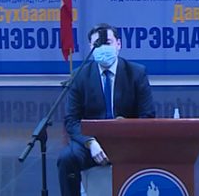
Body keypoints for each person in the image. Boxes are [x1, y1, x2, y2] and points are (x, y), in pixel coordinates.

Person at [57, 23, 155, 196]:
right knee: (66, 159)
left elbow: (148, 115)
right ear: (91, 48)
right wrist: (90, 142)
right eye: (98, 44)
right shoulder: (79, 75)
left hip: (127, 141)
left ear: (118, 44)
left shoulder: (137, 73)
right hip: (92, 144)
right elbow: (71, 120)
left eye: (108, 42)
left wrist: (126, 128)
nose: (103, 48)